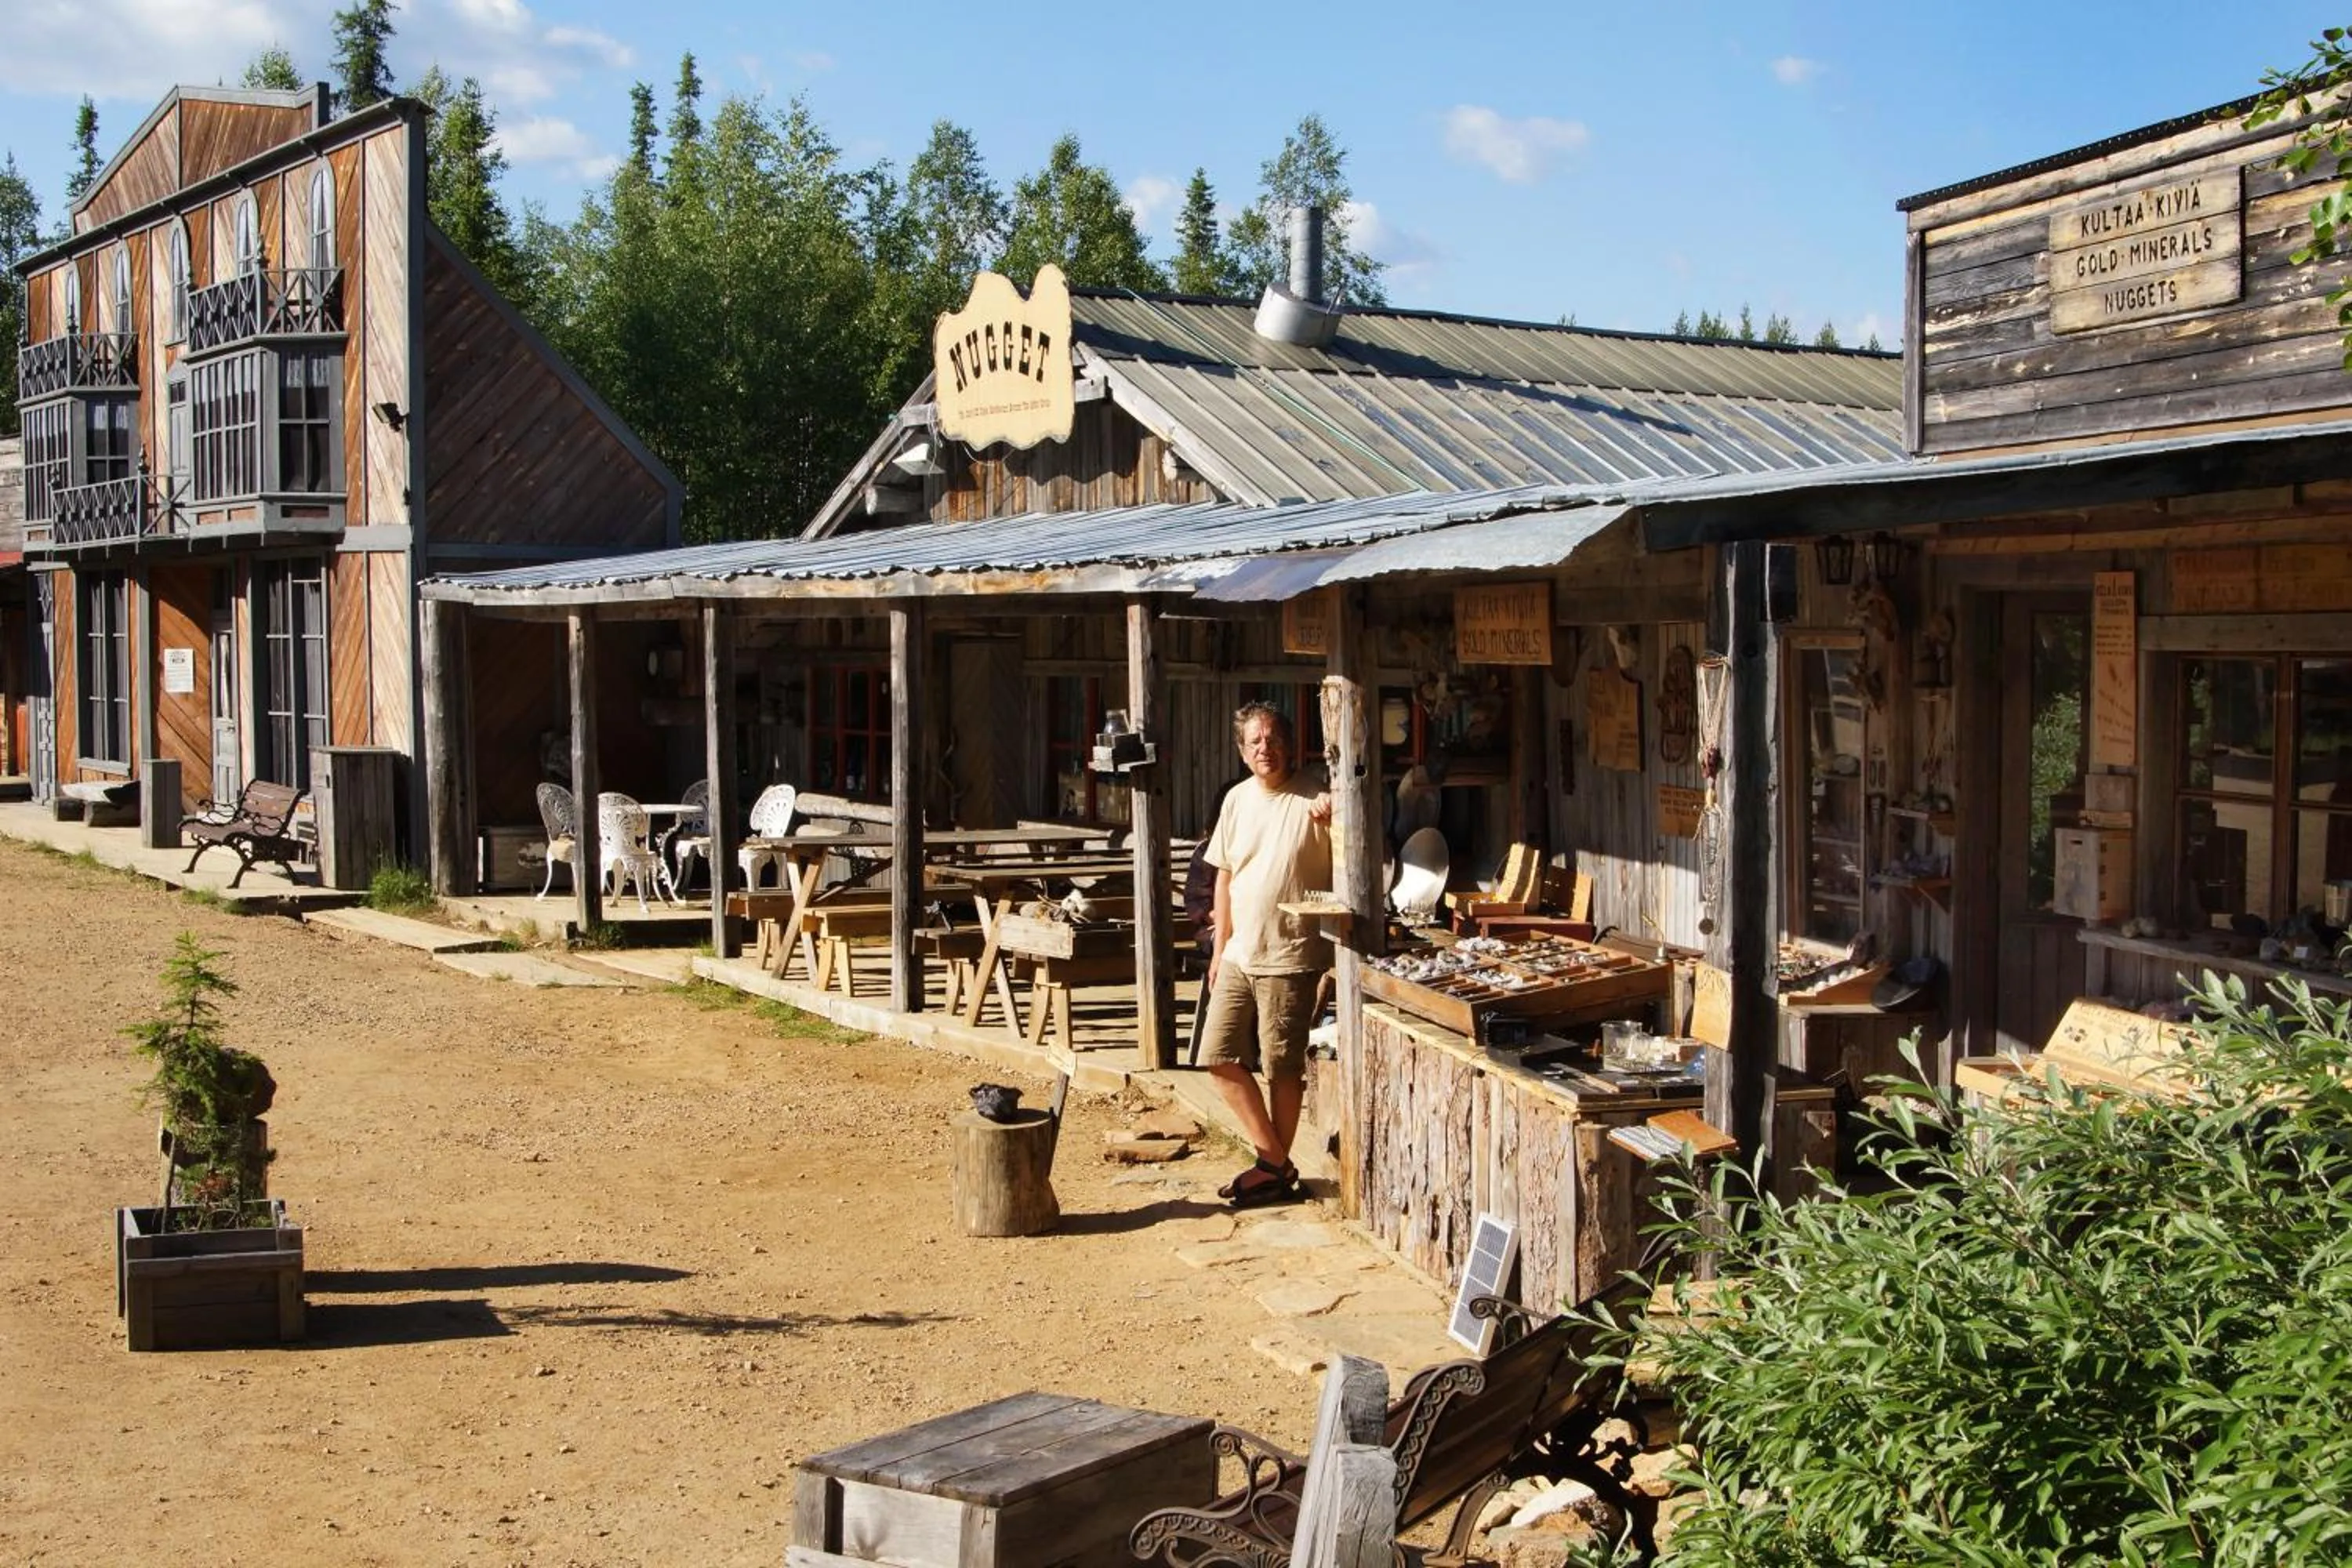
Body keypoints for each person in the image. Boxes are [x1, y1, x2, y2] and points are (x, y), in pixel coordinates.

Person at [1201, 702, 1332, 1208]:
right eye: (1254, 742)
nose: (1265, 749)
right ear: (1241, 751)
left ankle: (1272, 1170)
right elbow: (1225, 874)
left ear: (1291, 744)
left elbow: (1359, 843)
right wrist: (1219, 946)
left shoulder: (1317, 795)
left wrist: (1335, 811)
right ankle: (1275, 1162)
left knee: (1281, 1067)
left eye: (1273, 739)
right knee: (1218, 1057)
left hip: (1292, 951)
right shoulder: (1236, 800)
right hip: (1239, 951)